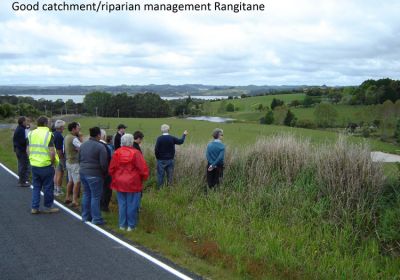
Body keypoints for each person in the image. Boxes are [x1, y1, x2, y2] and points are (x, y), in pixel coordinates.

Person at [109, 134, 149, 231]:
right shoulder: (136, 153)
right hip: (133, 182)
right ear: (131, 142)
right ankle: (131, 226)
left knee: (122, 204)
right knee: (132, 205)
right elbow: (142, 168)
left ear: (122, 142)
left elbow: (111, 169)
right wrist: (144, 178)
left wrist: (115, 177)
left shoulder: (117, 152)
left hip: (119, 182)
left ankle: (122, 225)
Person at [28, 116, 59, 214]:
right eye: (49, 123)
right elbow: (52, 151)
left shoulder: (31, 133)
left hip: (34, 164)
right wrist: (52, 162)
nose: (50, 124)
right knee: (48, 187)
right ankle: (48, 207)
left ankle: (34, 207)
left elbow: (28, 150)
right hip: (46, 164)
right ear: (45, 124)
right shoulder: (49, 134)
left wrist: (31, 159)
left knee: (36, 187)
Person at [79, 127, 109, 225]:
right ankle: (96, 218)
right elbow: (104, 164)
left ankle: (85, 216)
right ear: (99, 135)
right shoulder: (100, 147)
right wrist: (104, 174)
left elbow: (79, 158)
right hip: (95, 174)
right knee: (95, 196)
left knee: (86, 194)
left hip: (83, 172)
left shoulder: (83, 145)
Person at [64, 122, 81, 207]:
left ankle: (67, 197)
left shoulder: (66, 137)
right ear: (73, 129)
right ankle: (74, 200)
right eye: (78, 128)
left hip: (68, 161)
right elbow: (81, 147)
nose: (79, 130)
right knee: (77, 182)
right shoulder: (74, 138)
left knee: (70, 181)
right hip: (74, 162)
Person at [13, 116, 31, 187]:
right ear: (23, 122)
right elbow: (23, 141)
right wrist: (27, 142)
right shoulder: (21, 130)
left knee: (21, 165)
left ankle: (22, 180)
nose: (27, 122)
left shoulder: (19, 128)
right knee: (23, 166)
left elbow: (15, 140)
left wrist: (27, 128)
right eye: (26, 121)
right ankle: (22, 182)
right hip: (21, 150)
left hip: (18, 149)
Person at [100, 129, 112, 212]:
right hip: (104, 171)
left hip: (93, 171)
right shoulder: (105, 147)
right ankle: (104, 207)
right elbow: (108, 160)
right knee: (106, 189)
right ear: (104, 136)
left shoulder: (91, 144)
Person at [53, 120, 66, 196]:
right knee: (60, 173)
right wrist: (61, 158)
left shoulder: (53, 134)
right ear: (61, 127)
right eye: (63, 126)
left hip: (54, 156)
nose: (64, 128)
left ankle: (55, 188)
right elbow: (59, 149)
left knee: (56, 173)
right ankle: (58, 190)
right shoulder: (59, 136)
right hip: (59, 157)